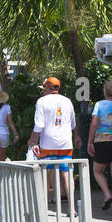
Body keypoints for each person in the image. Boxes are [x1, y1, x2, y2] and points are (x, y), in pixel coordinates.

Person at [28, 76, 80, 205]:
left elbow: (39, 125)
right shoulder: (67, 101)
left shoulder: (42, 101)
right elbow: (73, 123)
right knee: (67, 173)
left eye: (43, 88)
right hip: (66, 143)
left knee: (46, 172)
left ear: (47, 88)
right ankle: (71, 208)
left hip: (48, 143)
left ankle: (44, 207)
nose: (43, 91)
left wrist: (33, 141)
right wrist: (77, 136)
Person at [88, 79, 112, 213]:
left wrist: (90, 141)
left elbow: (95, 123)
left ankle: (107, 195)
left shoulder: (99, 105)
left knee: (97, 171)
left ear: (105, 90)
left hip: (102, 141)